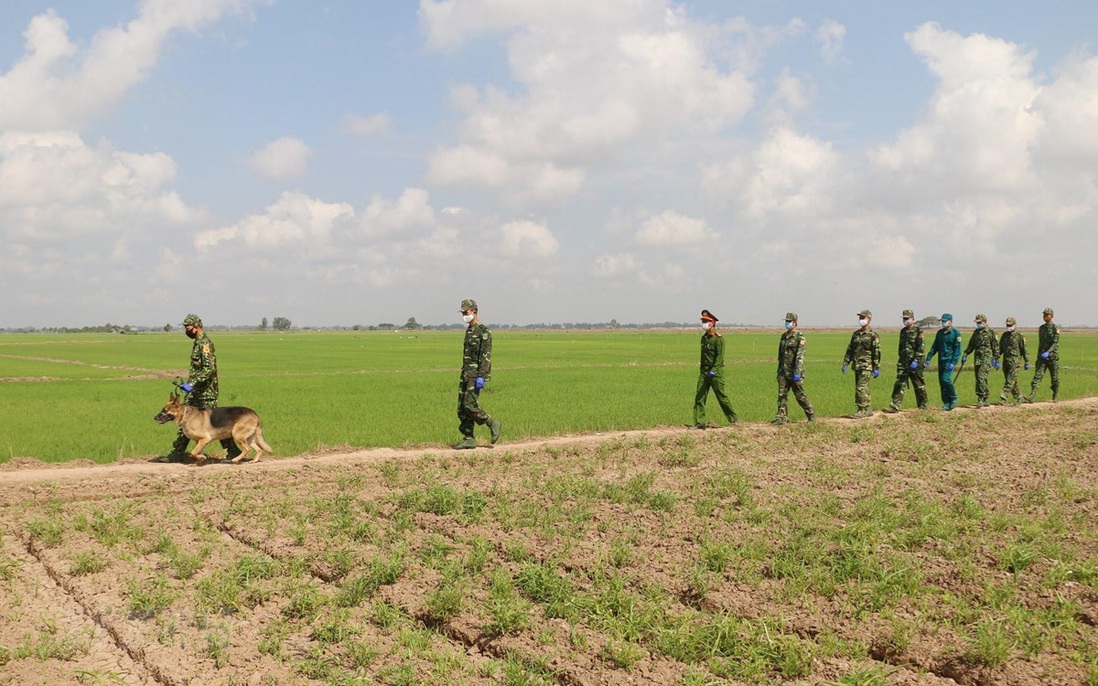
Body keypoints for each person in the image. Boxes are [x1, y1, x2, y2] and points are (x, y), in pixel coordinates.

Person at [166, 314, 238, 460]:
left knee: (216, 424)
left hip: (206, 393)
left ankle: (233, 451)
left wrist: (191, 383)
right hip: (195, 393)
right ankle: (178, 452)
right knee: (185, 422)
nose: (186, 330)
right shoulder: (198, 343)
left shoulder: (205, 344)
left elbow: (208, 369)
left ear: (196, 326)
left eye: (188, 327)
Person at [453, 299, 502, 449]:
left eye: (466, 312)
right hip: (466, 374)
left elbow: (485, 356)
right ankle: (469, 438)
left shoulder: (483, 331)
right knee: (461, 408)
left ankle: (492, 423)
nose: (464, 315)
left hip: (476, 375)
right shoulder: (469, 331)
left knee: (470, 405)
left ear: (474, 311)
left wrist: (482, 376)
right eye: (462, 312)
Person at [692, 309, 738, 429]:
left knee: (721, 396)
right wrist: (703, 370)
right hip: (704, 372)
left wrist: (714, 370)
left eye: (706, 321)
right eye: (702, 321)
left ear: (712, 323)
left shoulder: (718, 339)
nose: (703, 323)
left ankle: (734, 419)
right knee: (700, 396)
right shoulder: (704, 338)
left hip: (715, 373)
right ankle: (699, 422)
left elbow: (719, 357)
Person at [773, 312, 814, 425]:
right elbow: (780, 355)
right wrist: (779, 371)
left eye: (789, 321)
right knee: (782, 395)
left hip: (794, 372)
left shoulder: (799, 337)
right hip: (783, 371)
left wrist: (797, 372)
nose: (787, 323)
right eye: (786, 321)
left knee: (800, 395)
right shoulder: (783, 337)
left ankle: (811, 415)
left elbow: (800, 356)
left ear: (795, 323)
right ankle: (781, 417)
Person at [842, 309, 881, 418]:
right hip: (857, 365)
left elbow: (876, 352)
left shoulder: (873, 335)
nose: (861, 320)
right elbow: (850, 349)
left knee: (861, 387)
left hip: (866, 365)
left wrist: (876, 367)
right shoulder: (856, 334)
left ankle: (861, 409)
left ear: (869, 319)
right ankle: (868, 409)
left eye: (863, 318)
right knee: (863, 387)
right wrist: (846, 362)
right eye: (860, 318)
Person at [887, 309, 927, 412]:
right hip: (903, 362)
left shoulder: (919, 331)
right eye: (904, 318)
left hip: (915, 363)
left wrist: (916, 361)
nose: (905, 320)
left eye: (907, 318)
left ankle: (923, 406)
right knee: (899, 383)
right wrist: (901, 358)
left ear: (913, 319)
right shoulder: (903, 331)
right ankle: (895, 405)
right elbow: (901, 347)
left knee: (918, 385)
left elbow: (921, 348)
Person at [925, 313, 963, 411]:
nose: (943, 323)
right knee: (942, 383)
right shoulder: (940, 333)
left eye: (945, 321)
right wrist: (928, 358)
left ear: (951, 322)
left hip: (949, 361)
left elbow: (957, 350)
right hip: (941, 361)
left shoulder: (956, 334)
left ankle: (953, 398)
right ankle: (946, 403)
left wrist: (953, 363)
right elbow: (934, 347)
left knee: (946, 379)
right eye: (942, 321)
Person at [962, 313, 999, 407]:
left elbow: (995, 347)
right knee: (979, 378)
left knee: (981, 376)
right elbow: (971, 345)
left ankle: (980, 398)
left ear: (985, 322)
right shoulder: (976, 332)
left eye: (980, 322)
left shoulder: (991, 332)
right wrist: (966, 353)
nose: (978, 324)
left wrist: (996, 358)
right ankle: (986, 397)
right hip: (977, 357)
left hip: (987, 357)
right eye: (977, 322)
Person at [1025, 307, 1060, 403]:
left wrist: (1048, 352)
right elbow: (1040, 343)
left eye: (1046, 314)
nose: (1044, 316)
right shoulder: (1041, 328)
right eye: (1044, 314)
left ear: (1051, 316)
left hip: (1052, 357)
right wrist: (1038, 356)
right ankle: (1032, 396)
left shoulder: (1055, 328)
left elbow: (1055, 343)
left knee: (1055, 378)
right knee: (1037, 376)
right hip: (1042, 357)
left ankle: (1055, 396)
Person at [998, 316, 1029, 405]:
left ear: (1015, 325)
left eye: (1010, 325)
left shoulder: (1019, 336)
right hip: (1006, 362)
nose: (1009, 326)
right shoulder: (1005, 335)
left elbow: (1024, 350)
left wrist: (1026, 361)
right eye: (1007, 325)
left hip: (1014, 362)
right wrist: (996, 358)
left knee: (1010, 380)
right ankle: (1019, 397)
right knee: (1012, 380)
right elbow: (1000, 349)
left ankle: (1003, 398)